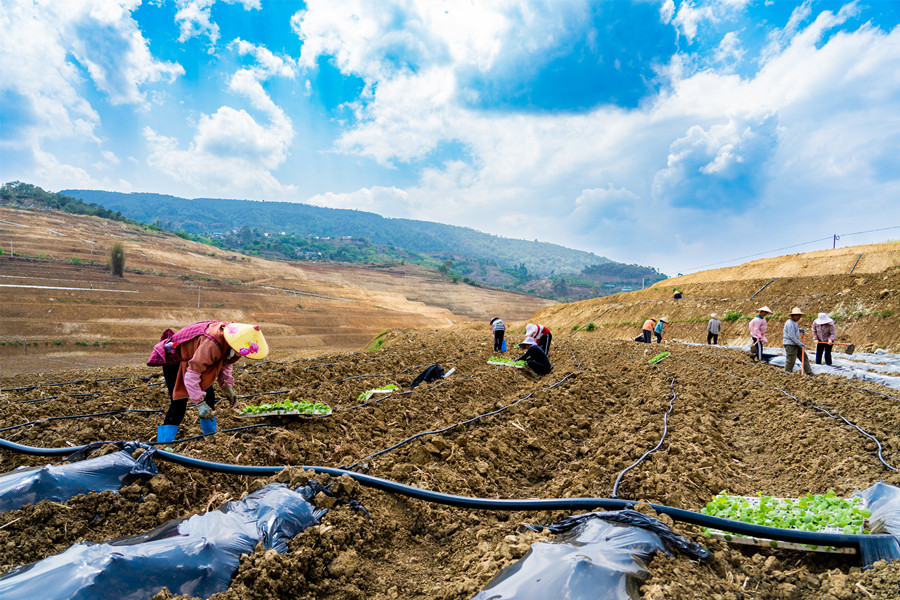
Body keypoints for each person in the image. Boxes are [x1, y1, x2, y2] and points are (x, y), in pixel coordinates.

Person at [147, 321, 269, 442]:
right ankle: (163, 444)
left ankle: (210, 438)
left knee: (209, 396)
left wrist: (227, 386)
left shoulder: (230, 340)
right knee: (178, 405)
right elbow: (192, 375)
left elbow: (225, 362)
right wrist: (199, 404)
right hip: (176, 358)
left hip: (195, 357)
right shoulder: (213, 344)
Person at [783, 307, 813, 375]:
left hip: (796, 343)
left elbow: (794, 330)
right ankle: (787, 373)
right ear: (792, 315)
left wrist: (799, 330)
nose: (799, 317)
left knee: (804, 356)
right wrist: (800, 343)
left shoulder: (795, 323)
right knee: (791, 360)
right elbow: (791, 336)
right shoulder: (789, 323)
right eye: (797, 315)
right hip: (790, 344)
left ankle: (809, 372)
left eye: (799, 315)